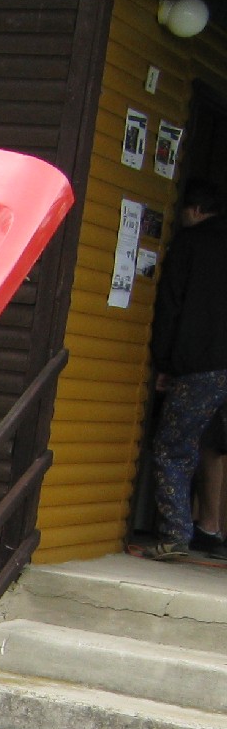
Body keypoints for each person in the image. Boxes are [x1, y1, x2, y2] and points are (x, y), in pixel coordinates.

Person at [143, 179, 227, 559]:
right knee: (215, 446)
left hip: (200, 367)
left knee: (172, 449)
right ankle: (211, 531)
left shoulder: (190, 244)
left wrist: (164, 361)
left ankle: (176, 535)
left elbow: (170, 306)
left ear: (194, 210)